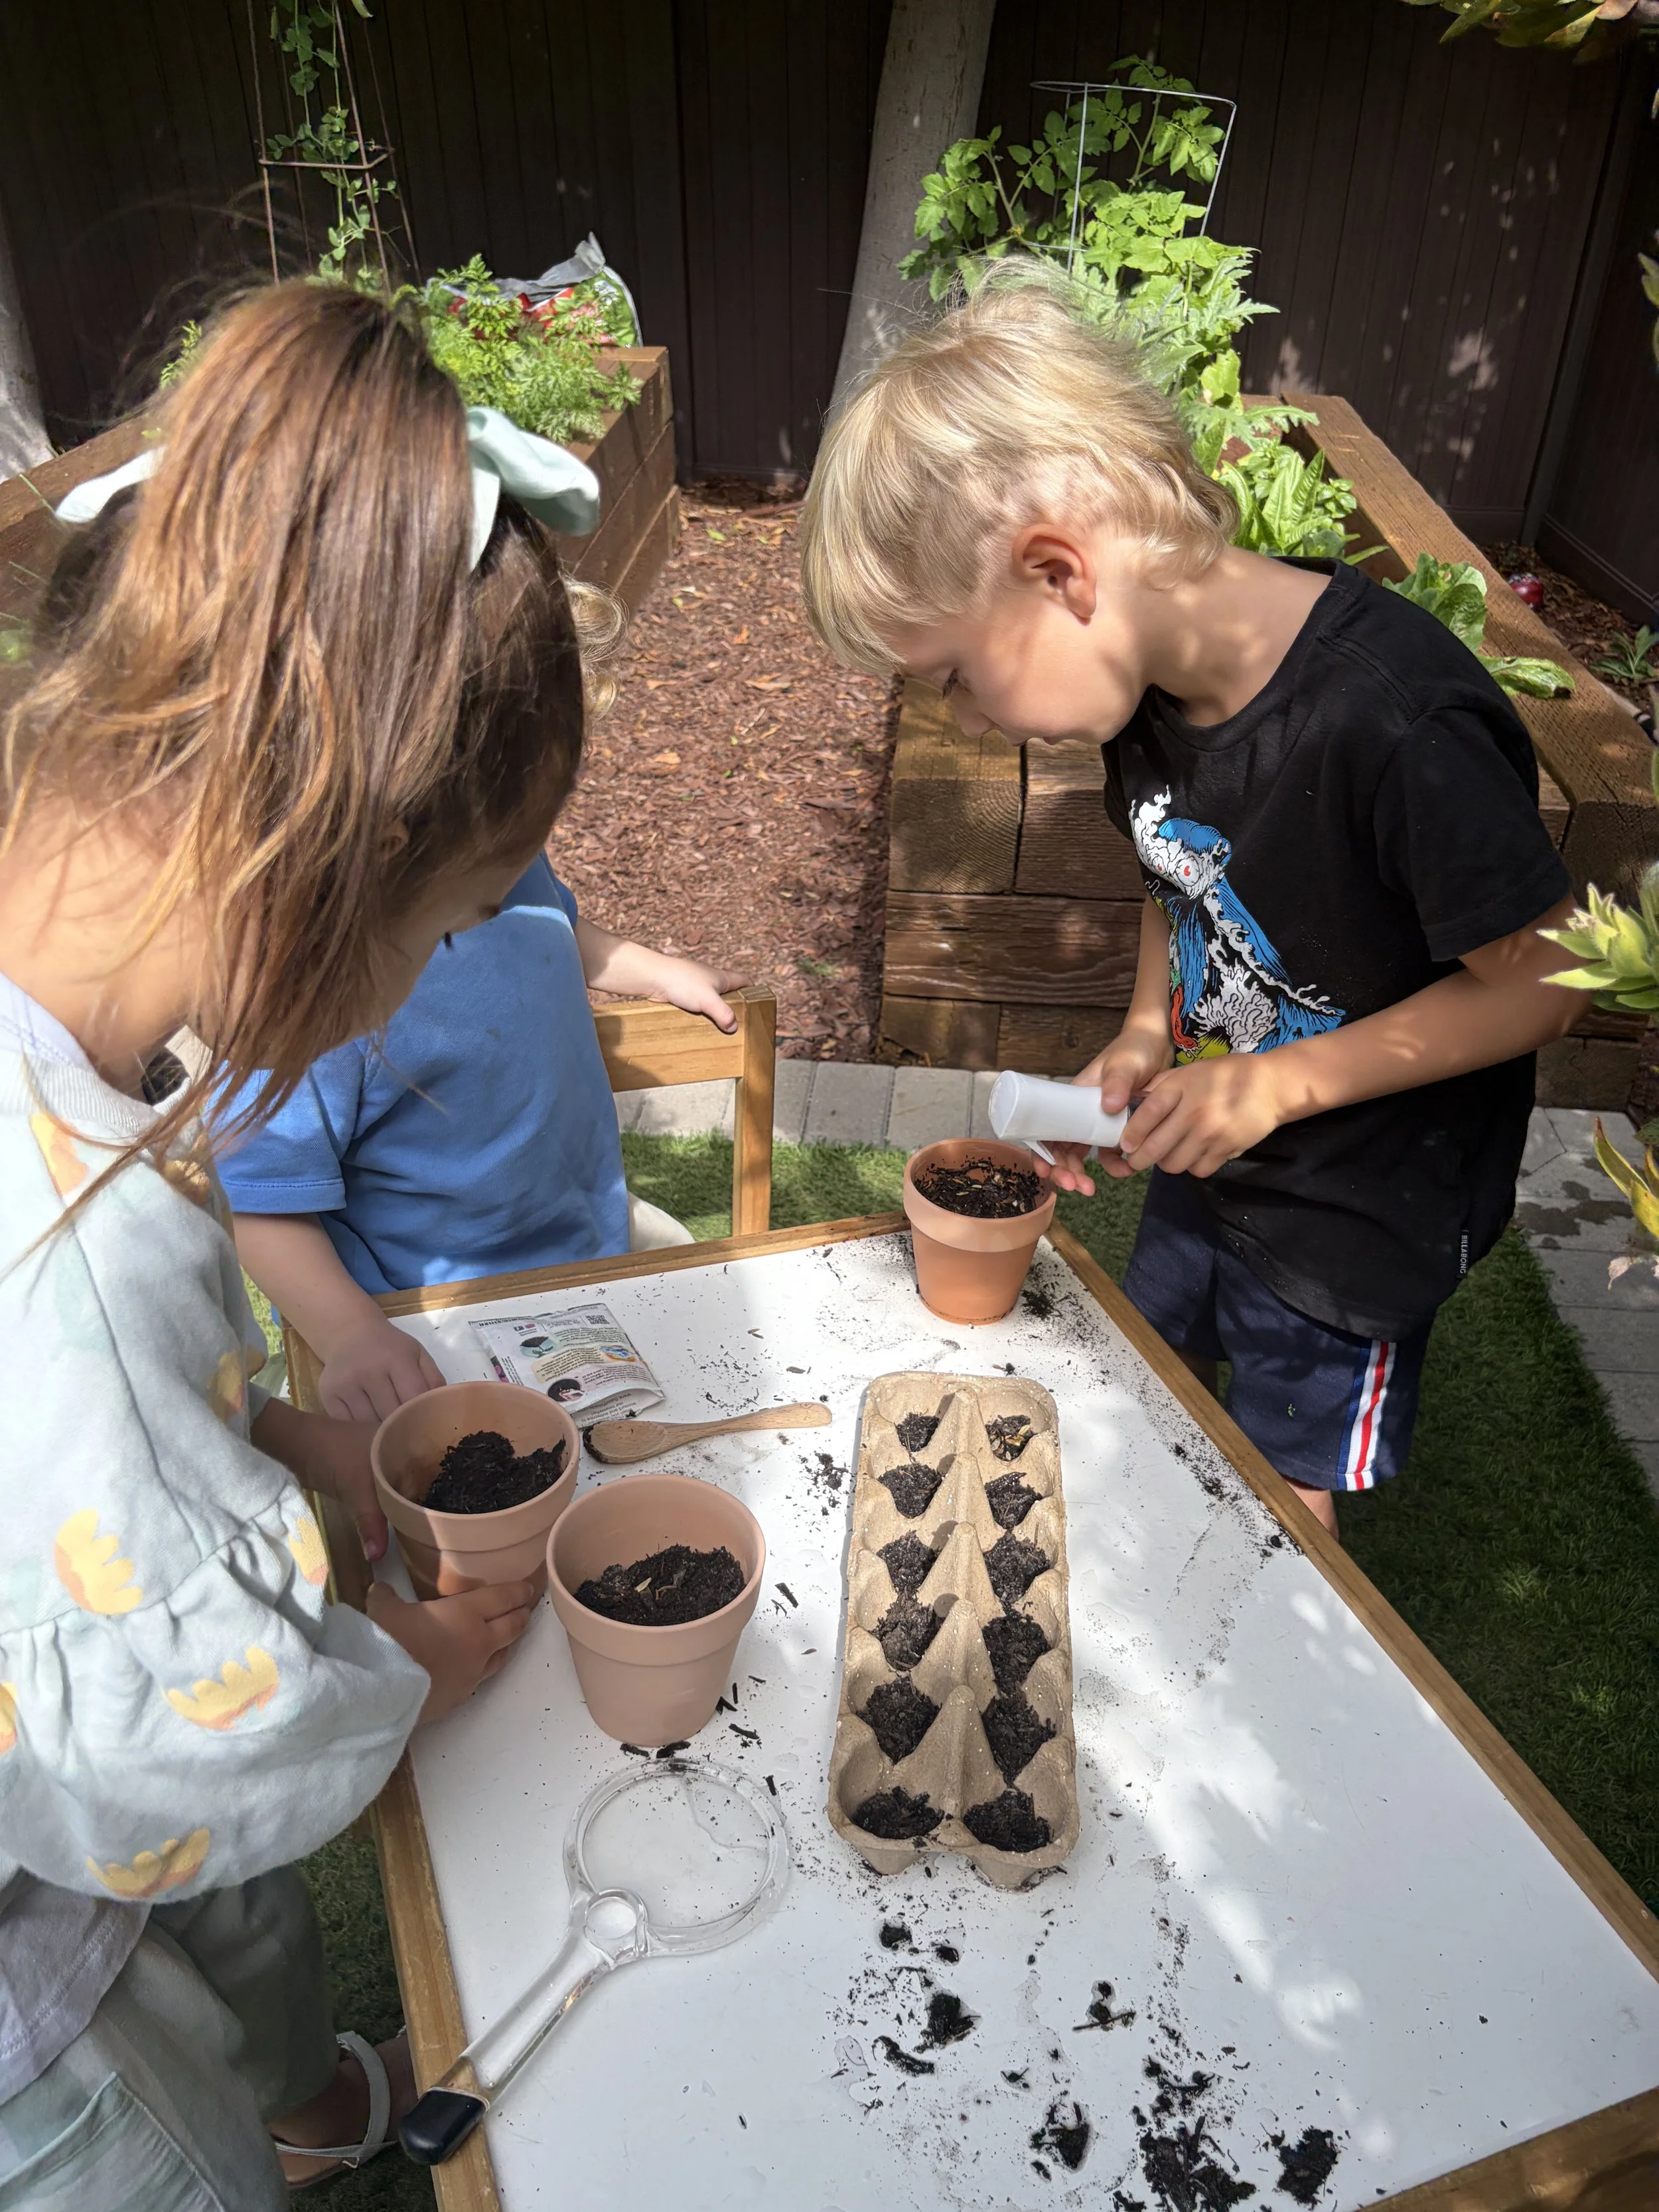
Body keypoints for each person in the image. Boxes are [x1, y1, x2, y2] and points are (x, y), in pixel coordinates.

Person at [0, 281, 614, 2201]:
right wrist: (410, 1666)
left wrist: (283, 1446)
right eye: (441, 928)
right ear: (311, 843)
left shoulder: (65, 1038)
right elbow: (187, 1748)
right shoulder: (69, 1265)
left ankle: (298, 2086)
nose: (418, 988)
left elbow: (81, 1469)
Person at [799, 265, 1577, 1536]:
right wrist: (1148, 1027)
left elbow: (1544, 979)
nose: (962, 717)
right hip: (1218, 1160)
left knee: (1283, 1499)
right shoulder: (1150, 701)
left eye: (952, 676)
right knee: (1163, 1395)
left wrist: (1279, 1082)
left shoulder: (1395, 720)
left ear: (1059, 572)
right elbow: (1174, 863)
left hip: (1359, 1215)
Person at [217, 859, 745, 1423]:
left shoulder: (503, 850)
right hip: (421, 1320)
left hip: (590, 1240)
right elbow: (256, 1200)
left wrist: (652, 970)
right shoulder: (313, 986)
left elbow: (552, 919)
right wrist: (349, 1333)